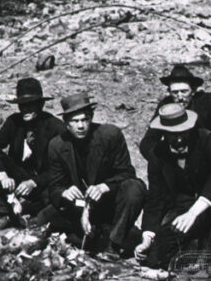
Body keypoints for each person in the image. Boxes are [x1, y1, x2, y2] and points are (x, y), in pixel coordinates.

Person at [43, 92, 146, 261]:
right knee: (43, 221)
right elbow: (54, 187)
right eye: (75, 121)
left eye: (84, 120)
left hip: (110, 205)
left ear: (91, 118)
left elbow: (127, 173)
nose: (81, 126)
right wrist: (64, 192)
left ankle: (113, 245)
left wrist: (104, 187)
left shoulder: (110, 135)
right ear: (66, 123)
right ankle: (97, 238)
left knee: (135, 188)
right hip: (77, 208)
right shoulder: (57, 145)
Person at [135, 104, 211, 270]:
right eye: (172, 135)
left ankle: (209, 251)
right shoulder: (157, 154)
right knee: (154, 259)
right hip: (181, 207)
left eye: (182, 133)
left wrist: (193, 212)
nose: (179, 139)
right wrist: (147, 238)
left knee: (209, 261)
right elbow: (155, 199)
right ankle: (191, 245)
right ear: (164, 134)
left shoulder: (207, 140)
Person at [0, 78, 67, 230]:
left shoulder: (55, 127)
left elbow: (61, 168)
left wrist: (34, 182)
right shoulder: (14, 122)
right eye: (22, 105)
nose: (25, 109)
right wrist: (3, 175)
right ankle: (5, 213)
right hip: (20, 178)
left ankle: (30, 211)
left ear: (40, 104)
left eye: (30, 105)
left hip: (46, 181)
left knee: (50, 203)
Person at [139, 64, 211, 175]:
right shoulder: (167, 106)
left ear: (193, 91)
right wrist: (162, 159)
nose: (180, 96)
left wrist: (207, 155)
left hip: (210, 159)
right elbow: (148, 141)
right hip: (180, 161)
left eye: (184, 91)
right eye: (175, 92)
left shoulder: (209, 102)